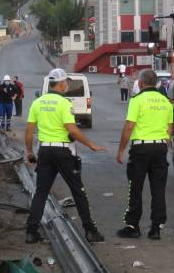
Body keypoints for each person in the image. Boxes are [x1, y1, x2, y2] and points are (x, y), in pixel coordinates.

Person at [24, 68, 106, 244]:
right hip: (63, 152)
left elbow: (29, 130)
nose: (66, 85)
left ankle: (31, 232)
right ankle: (90, 231)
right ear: (61, 84)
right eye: (66, 82)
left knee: (41, 192)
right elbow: (72, 130)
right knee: (78, 191)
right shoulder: (64, 103)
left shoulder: (37, 103)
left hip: (45, 151)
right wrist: (91, 144)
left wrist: (29, 151)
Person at [115, 69, 173, 240]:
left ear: (140, 84)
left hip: (141, 149)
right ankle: (156, 228)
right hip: (160, 148)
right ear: (155, 83)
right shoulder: (166, 102)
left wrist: (121, 150)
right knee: (158, 189)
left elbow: (129, 126)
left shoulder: (137, 100)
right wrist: (163, 145)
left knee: (136, 187)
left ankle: (133, 226)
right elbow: (169, 129)